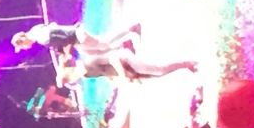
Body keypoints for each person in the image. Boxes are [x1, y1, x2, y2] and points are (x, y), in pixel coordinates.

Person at [54, 44, 198, 88]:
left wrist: (122, 76)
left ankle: (187, 63)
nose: (71, 81)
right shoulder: (87, 75)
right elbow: (105, 72)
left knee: (159, 70)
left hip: (125, 61)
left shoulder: (88, 62)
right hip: (124, 71)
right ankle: (185, 65)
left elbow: (112, 58)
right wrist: (116, 78)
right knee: (156, 74)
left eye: (68, 79)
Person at [11, 21, 141, 55]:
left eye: (22, 47)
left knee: (103, 43)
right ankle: (124, 45)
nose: (25, 48)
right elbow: (54, 25)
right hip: (76, 37)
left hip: (77, 37)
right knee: (94, 52)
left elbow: (62, 38)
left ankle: (131, 28)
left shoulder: (41, 38)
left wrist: (65, 50)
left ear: (23, 41)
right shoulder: (35, 29)